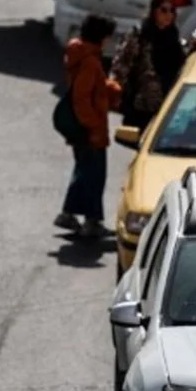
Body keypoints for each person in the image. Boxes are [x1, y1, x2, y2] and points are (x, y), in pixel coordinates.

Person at [55, 15, 123, 239]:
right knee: (94, 176)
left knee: (83, 172)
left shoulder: (82, 57)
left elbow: (89, 88)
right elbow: (81, 98)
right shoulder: (90, 62)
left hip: (81, 130)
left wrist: (108, 88)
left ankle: (68, 214)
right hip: (90, 132)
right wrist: (93, 124)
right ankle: (92, 222)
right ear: (100, 38)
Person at [110, 0, 191, 130]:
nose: (168, 15)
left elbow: (181, 62)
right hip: (142, 104)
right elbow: (122, 65)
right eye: (164, 10)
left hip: (167, 104)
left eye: (172, 11)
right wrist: (118, 94)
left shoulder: (173, 36)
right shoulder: (140, 34)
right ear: (154, 11)